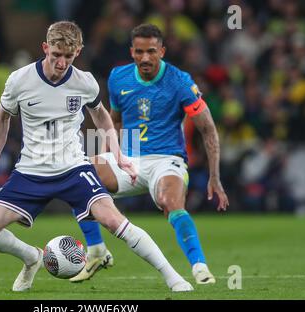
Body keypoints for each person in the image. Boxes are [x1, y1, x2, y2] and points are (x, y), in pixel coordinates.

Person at [0, 21, 193, 292]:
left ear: (78, 51)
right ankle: (32, 257)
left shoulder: (84, 82)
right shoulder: (19, 80)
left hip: (74, 169)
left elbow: (100, 115)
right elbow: (2, 118)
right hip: (31, 171)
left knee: (114, 221)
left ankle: (174, 278)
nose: (62, 62)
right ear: (45, 48)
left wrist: (119, 155)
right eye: (56, 55)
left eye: (68, 56)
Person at [70, 24, 229, 284]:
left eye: (152, 51)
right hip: (129, 159)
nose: (145, 58)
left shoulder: (180, 82)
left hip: (166, 159)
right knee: (79, 176)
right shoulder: (118, 77)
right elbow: (114, 121)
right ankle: (97, 251)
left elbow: (208, 129)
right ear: (132, 51)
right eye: (140, 51)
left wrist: (215, 176)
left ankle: (200, 267)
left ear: (162, 51)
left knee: (171, 203)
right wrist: (107, 156)